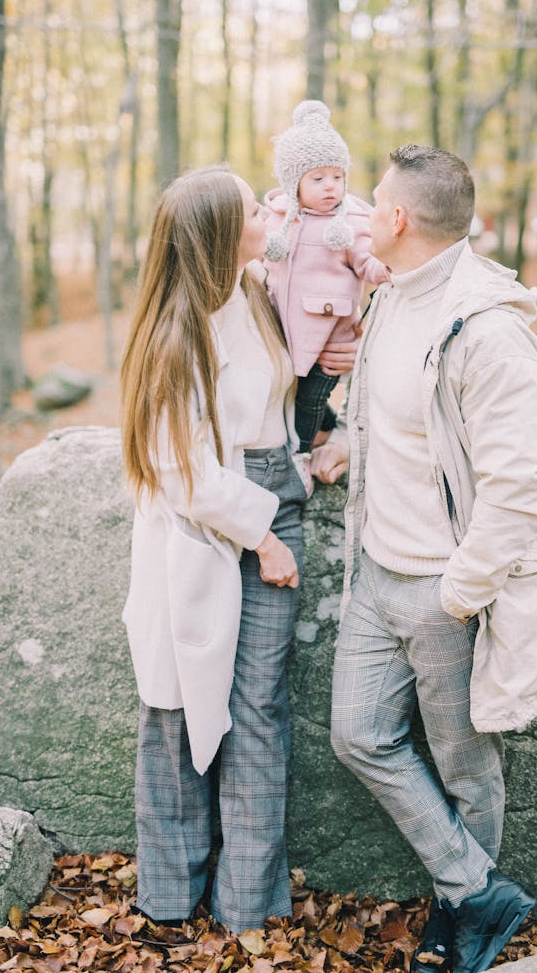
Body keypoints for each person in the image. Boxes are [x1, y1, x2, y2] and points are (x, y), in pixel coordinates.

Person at [324, 146, 537, 973]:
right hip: (375, 574)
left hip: (445, 586)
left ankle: (462, 910)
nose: (365, 211)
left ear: (399, 219)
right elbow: (391, 420)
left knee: (467, 767)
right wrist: (339, 441)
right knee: (359, 735)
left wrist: (461, 593)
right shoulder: (391, 296)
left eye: (373, 201)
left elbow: (522, 484)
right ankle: (481, 890)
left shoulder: (489, 328)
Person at [120, 165, 307, 932]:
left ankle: (247, 911)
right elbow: (181, 470)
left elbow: (341, 233)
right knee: (174, 706)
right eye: (250, 206)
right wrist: (261, 537)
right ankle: (168, 900)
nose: (267, 210)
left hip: (270, 491)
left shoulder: (256, 290)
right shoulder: (174, 337)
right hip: (205, 523)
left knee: (258, 709)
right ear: (219, 238)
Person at [263, 100, 390, 458]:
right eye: (317, 179)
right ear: (293, 183)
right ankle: (326, 430)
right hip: (283, 334)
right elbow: (261, 262)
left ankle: (299, 457)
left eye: (337, 177)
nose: (330, 186)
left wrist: (389, 269)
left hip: (329, 338)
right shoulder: (276, 219)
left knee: (309, 401)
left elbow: (369, 262)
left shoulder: (351, 222)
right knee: (289, 395)